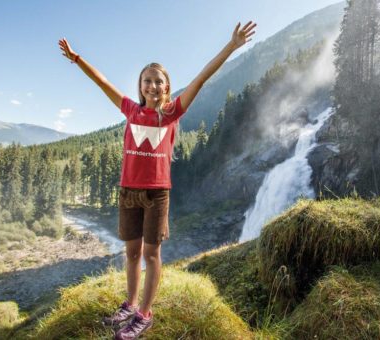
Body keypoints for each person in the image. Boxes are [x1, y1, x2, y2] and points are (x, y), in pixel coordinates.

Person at [59, 21, 256, 340]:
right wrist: (78, 59)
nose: (152, 86)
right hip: (128, 193)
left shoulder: (173, 113)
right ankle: (130, 304)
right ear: (141, 87)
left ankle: (144, 315)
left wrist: (231, 46)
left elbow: (202, 78)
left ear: (166, 87)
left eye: (158, 82)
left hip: (156, 196)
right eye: (147, 81)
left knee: (151, 255)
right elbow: (102, 82)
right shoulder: (129, 110)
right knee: (132, 253)